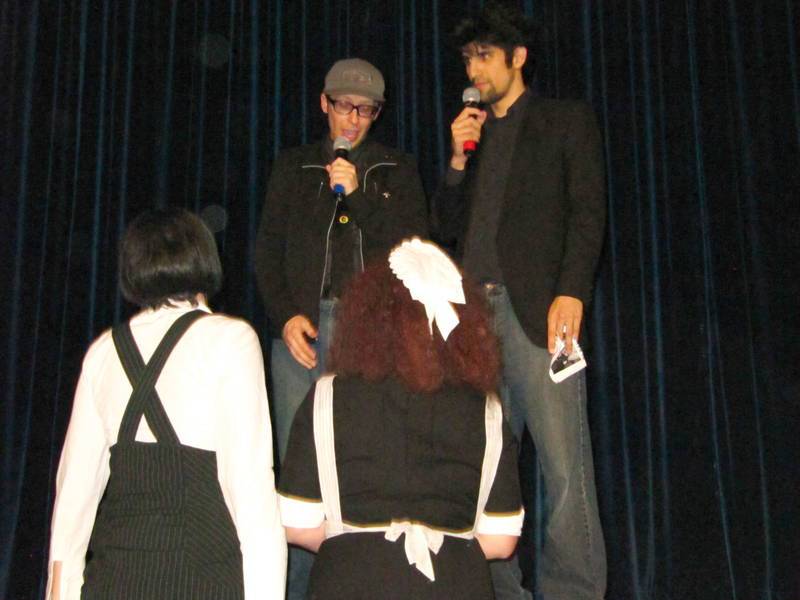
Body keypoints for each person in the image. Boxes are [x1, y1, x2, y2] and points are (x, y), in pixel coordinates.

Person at [434, 3, 608, 599]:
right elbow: (444, 228)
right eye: (468, 59)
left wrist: (572, 291)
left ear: (519, 57)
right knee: (486, 471)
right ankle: (498, 591)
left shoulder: (564, 120)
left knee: (565, 470)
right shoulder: (474, 136)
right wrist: (457, 160)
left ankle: (573, 592)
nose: (474, 71)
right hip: (475, 322)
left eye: (484, 56)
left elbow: (587, 213)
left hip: (538, 313)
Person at [254, 57, 428, 598]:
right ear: (323, 104)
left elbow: (414, 253)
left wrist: (358, 198)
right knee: (297, 474)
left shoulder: (396, 170)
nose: (352, 120)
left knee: (364, 467)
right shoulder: (294, 166)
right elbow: (267, 253)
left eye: (365, 110)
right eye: (344, 106)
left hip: (370, 336)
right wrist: (285, 315)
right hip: (302, 336)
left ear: (378, 113)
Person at [46, 208, 286, 599]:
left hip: (114, 581)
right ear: (204, 259)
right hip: (202, 578)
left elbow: (73, 495)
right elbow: (250, 486)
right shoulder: (230, 339)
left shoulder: (104, 351)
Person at [278, 238, 524, 600]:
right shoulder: (485, 407)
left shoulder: (327, 396)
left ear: (365, 316)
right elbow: (502, 540)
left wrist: (360, 543)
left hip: (350, 585)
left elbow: (295, 524)